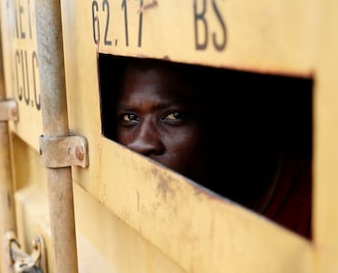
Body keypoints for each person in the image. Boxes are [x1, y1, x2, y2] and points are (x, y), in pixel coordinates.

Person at [101, 56, 312, 238]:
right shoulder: (129, 212)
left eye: (174, 116)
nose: (139, 143)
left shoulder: (310, 212)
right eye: (130, 118)